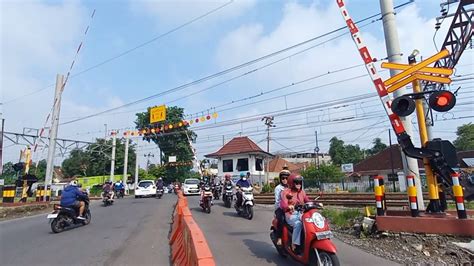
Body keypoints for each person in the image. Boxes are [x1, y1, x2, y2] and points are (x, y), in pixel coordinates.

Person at [279, 174, 310, 255]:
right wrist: (288, 206)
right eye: (296, 182)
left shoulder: (302, 192)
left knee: (309, 223)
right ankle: (294, 244)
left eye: (300, 182)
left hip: (301, 213)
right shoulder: (286, 192)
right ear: (292, 183)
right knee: (299, 224)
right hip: (290, 215)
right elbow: (283, 204)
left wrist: (316, 204)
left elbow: (307, 200)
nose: (299, 184)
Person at [274, 169, 290, 246]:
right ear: (280, 179)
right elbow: (277, 201)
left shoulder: (291, 187)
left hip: (292, 208)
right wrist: (284, 207)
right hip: (280, 208)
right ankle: (279, 237)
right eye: (283, 178)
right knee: (282, 219)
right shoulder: (278, 188)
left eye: (286, 178)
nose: (285, 180)